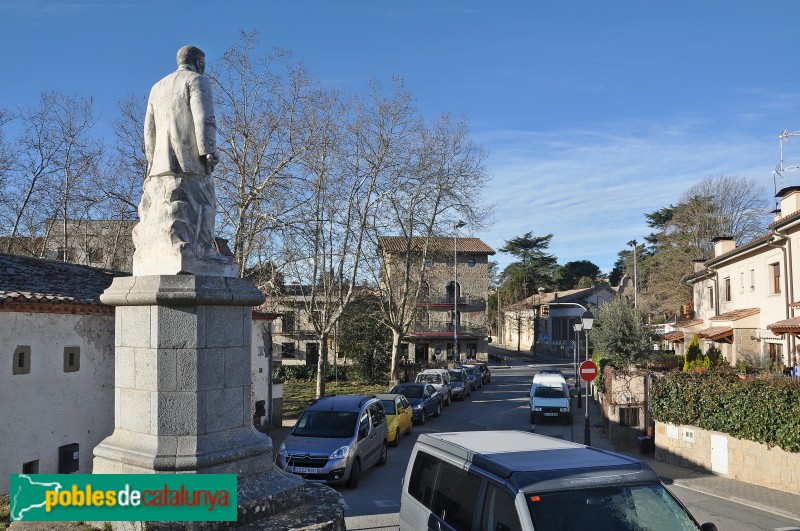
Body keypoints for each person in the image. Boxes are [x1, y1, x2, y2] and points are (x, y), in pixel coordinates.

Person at [132, 45, 235, 276]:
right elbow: (203, 116)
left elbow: (149, 129)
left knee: (160, 209)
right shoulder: (198, 80)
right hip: (189, 159)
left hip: (159, 164)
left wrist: (151, 159)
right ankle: (204, 250)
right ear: (198, 61)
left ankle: (162, 252)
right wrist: (208, 150)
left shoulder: (157, 87)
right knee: (204, 204)